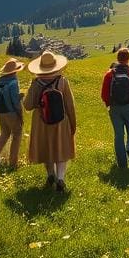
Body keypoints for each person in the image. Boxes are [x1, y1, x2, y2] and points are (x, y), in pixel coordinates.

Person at [24, 50, 77, 191]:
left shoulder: (35, 83)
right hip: (61, 120)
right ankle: (60, 178)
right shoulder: (62, 81)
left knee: (46, 147)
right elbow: (70, 105)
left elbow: (27, 105)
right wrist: (73, 124)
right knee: (61, 148)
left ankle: (50, 174)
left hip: (41, 122)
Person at [0, 57, 24, 169]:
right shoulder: (13, 82)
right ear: (15, 70)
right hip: (11, 111)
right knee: (17, 134)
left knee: (5, 132)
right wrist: (20, 113)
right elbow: (15, 101)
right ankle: (13, 163)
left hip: (0, 110)